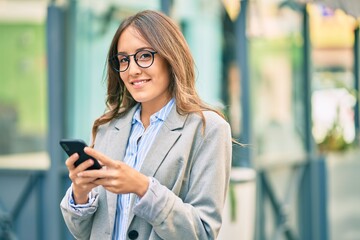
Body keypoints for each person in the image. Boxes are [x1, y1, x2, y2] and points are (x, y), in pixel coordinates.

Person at [60, 9, 232, 240]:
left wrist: (143, 187)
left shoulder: (207, 129)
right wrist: (81, 193)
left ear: (170, 57)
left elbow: (202, 232)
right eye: (123, 60)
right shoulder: (108, 128)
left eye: (144, 56)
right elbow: (83, 233)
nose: (132, 70)